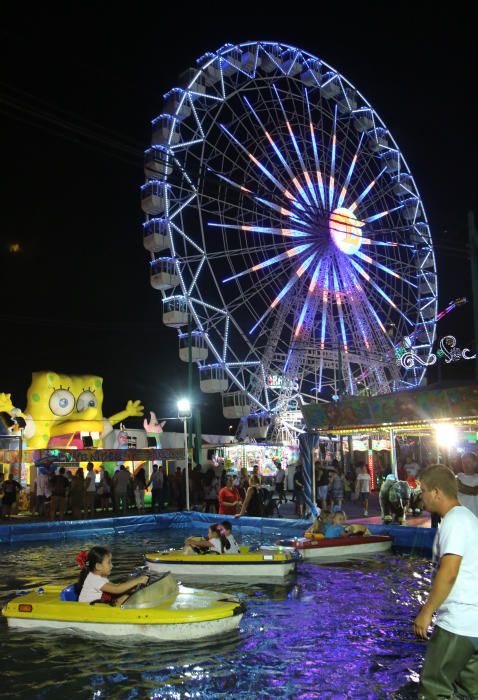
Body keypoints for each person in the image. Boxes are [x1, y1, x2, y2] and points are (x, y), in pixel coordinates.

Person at [413, 464, 478, 699]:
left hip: (457, 623)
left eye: (423, 490)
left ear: (436, 492)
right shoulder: (468, 519)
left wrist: (427, 610)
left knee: (433, 690)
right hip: (473, 625)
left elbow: (449, 571)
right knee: (469, 692)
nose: (421, 497)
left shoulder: (454, 521)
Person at [77, 546, 149, 605]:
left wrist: (131, 588)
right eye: (109, 563)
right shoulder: (94, 579)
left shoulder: (99, 576)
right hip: (89, 610)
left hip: (98, 605)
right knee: (126, 598)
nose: (112, 565)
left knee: (128, 595)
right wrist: (138, 580)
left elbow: (114, 586)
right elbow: (116, 589)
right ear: (98, 566)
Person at [455, 451, 478, 517]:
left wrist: (460, 486)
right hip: (459, 516)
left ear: (475, 464)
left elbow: (474, 491)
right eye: (463, 462)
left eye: (468, 462)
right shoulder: (458, 476)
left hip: (474, 516)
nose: (465, 465)